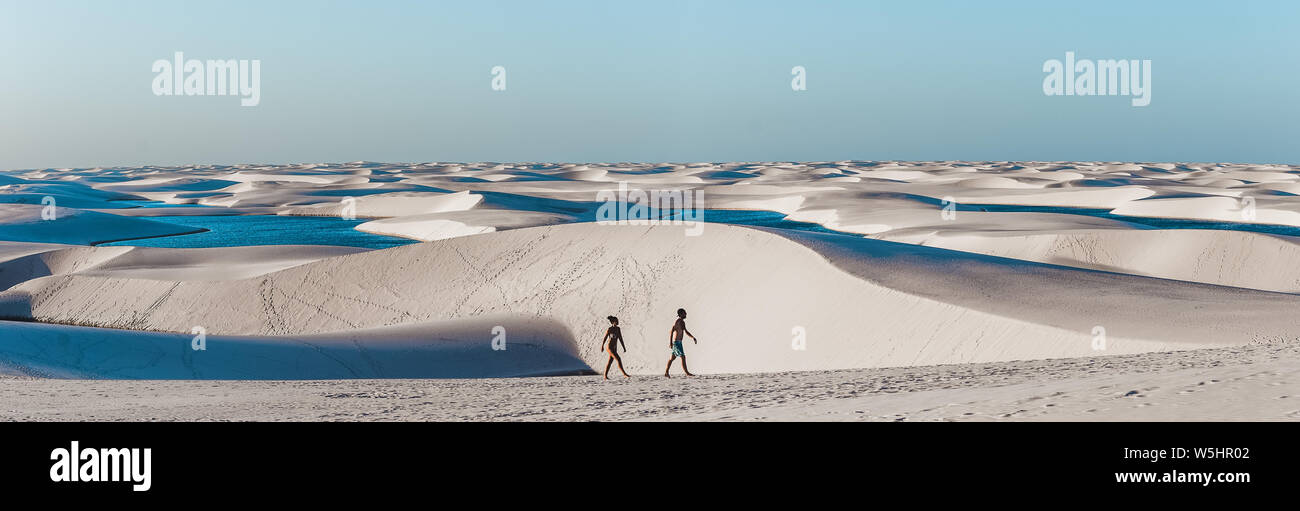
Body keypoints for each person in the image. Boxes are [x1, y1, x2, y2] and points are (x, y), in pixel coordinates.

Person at [664, 308, 697, 377]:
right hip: (677, 343)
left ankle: (666, 372)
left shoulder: (681, 322)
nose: (686, 314)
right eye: (685, 313)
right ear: (681, 314)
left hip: (678, 342)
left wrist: (692, 337)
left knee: (672, 358)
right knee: (683, 356)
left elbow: (685, 331)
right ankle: (687, 373)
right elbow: (672, 331)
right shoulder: (679, 321)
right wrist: (670, 343)